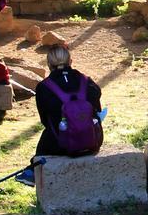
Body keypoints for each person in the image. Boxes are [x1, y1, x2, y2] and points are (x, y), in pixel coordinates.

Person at [16, 45, 103, 186]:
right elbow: (97, 111)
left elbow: (45, 120)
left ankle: (32, 171)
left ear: (49, 64)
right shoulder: (87, 82)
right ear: (71, 61)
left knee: (50, 130)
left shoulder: (44, 87)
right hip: (92, 142)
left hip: (61, 145)